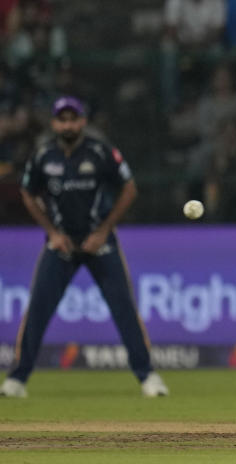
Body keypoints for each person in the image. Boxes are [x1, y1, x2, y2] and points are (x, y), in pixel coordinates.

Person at [0, 96, 168, 398]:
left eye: (73, 119)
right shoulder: (43, 156)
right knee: (38, 309)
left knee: (124, 309)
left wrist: (103, 231)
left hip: (98, 243)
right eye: (62, 119)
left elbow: (129, 189)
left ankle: (148, 377)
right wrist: (52, 232)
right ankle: (18, 378)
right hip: (61, 244)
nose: (68, 124)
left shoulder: (101, 152)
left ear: (82, 122)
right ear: (54, 123)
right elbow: (28, 193)